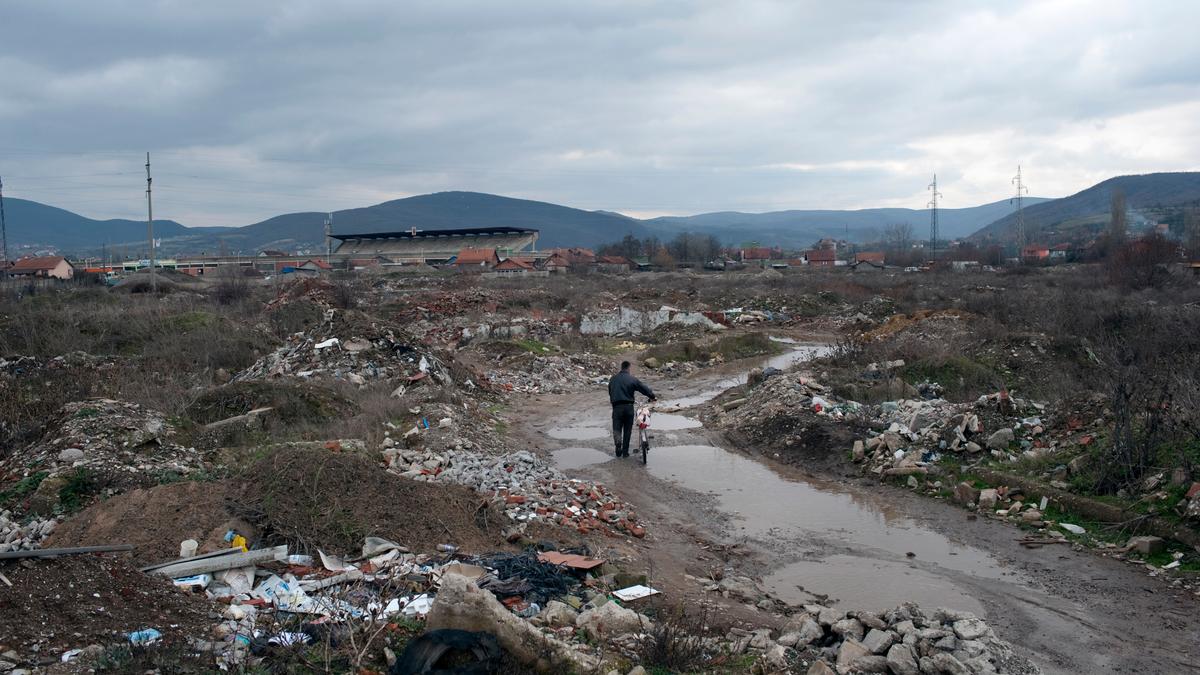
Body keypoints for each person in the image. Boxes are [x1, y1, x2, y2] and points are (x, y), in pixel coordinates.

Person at [608, 360, 655, 457]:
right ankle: (625, 452)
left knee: (617, 428)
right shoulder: (632, 379)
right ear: (629, 368)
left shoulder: (613, 379)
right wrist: (652, 396)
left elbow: (610, 392)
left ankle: (618, 446)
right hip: (628, 407)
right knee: (627, 430)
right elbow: (644, 389)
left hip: (617, 407)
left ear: (621, 368)